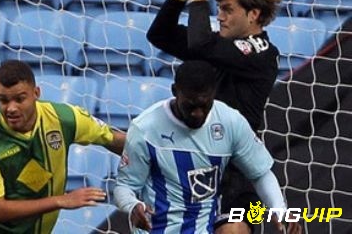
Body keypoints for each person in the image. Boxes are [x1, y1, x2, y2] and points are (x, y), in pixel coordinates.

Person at [146, 0, 282, 233]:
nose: (219, 16)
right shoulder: (219, 45)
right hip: (196, 165)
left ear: (253, 14)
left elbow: (198, 43)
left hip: (237, 170)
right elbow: (159, 35)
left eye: (227, 10)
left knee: (232, 230)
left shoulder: (260, 52)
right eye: (218, 8)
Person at [113, 60, 302, 234]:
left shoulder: (230, 122)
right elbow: (124, 186)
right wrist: (132, 206)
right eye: (190, 105)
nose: (197, 113)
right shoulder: (145, 128)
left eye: (204, 105)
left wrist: (279, 209)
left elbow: (260, 173)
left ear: (214, 93)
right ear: (174, 91)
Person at [0, 60, 126, 233]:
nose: (11, 108)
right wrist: (61, 200)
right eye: (3, 100)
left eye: (19, 99)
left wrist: (148, 151)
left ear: (36, 93)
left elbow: (113, 139)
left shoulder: (64, 118)